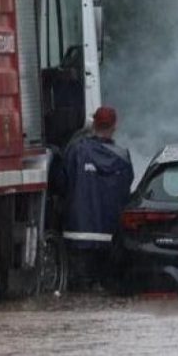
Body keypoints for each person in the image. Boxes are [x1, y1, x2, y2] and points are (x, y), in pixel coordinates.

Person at [62, 106, 134, 290]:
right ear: (115, 126)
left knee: (80, 293)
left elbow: (61, 182)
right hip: (111, 237)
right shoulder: (123, 157)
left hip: (79, 236)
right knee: (107, 291)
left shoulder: (76, 151)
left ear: (93, 124)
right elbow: (128, 188)